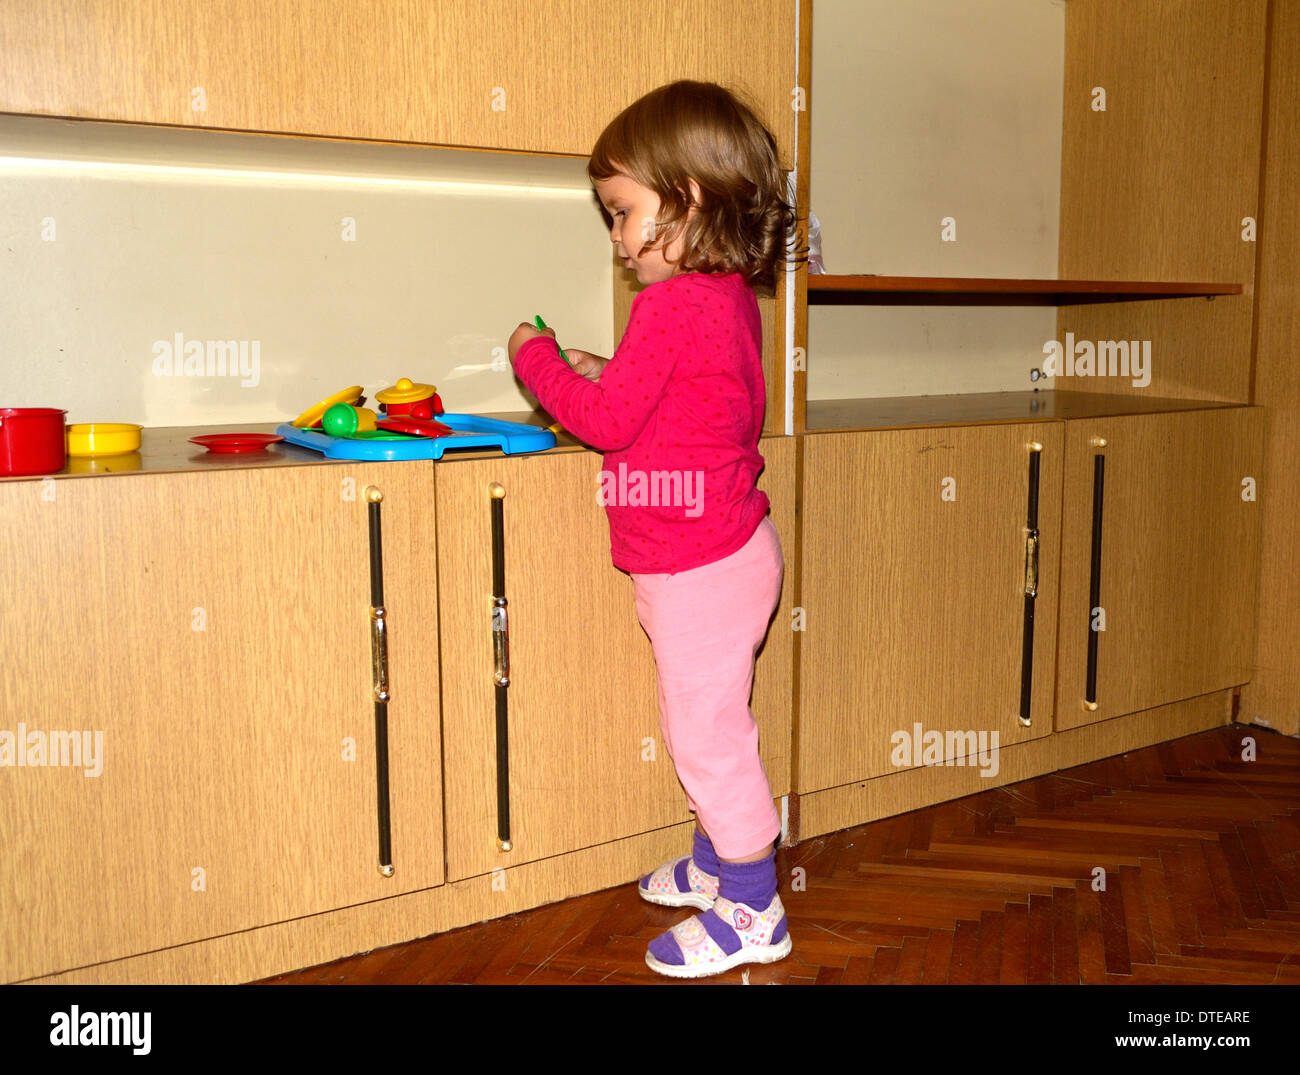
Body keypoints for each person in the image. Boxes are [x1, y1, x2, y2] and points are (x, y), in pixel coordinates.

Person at [507, 80, 803, 979]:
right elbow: (669, 400)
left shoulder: (673, 304)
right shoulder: (721, 300)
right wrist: (601, 368)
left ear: (691, 198)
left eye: (622, 211)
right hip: (718, 553)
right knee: (706, 719)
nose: (615, 235)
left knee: (707, 734)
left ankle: (754, 904)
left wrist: (533, 358)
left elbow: (604, 420)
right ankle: (719, 861)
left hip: (700, 565)